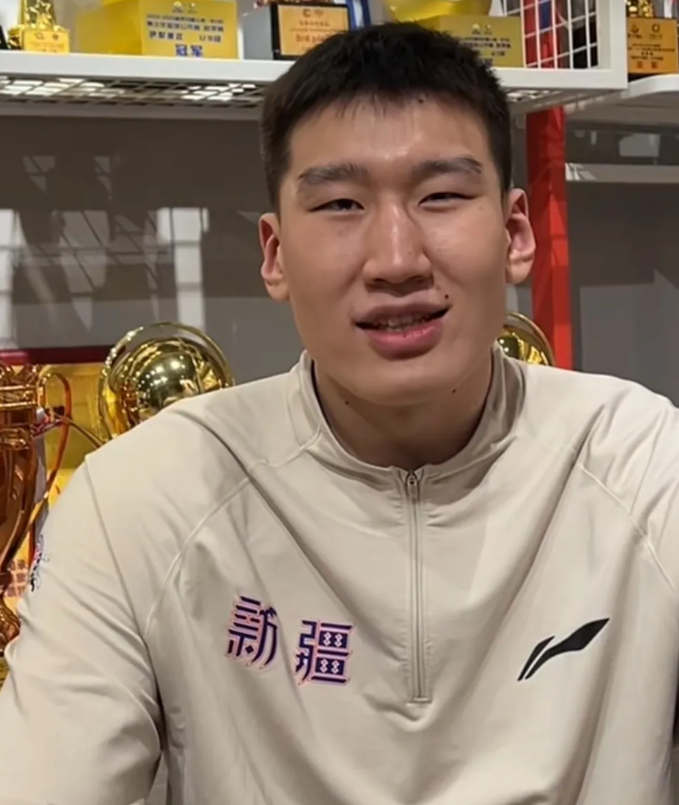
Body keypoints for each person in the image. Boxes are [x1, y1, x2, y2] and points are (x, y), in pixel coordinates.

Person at [0, 21, 678, 805]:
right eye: (340, 203)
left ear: (515, 233)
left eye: (441, 196)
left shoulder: (645, 468)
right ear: (275, 254)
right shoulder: (142, 498)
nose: (395, 260)